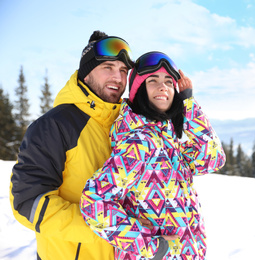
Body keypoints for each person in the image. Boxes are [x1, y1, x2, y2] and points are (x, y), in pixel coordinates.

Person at [79, 51, 226, 259]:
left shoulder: (166, 143)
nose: (163, 86)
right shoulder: (139, 143)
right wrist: (150, 246)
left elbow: (212, 158)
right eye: (153, 81)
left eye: (168, 81)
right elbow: (94, 202)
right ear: (139, 90)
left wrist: (188, 104)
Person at [9, 30, 134, 260]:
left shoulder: (128, 127)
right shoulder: (56, 125)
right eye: (108, 67)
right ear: (86, 74)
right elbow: (28, 201)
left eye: (123, 70)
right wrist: (105, 230)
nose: (118, 77)